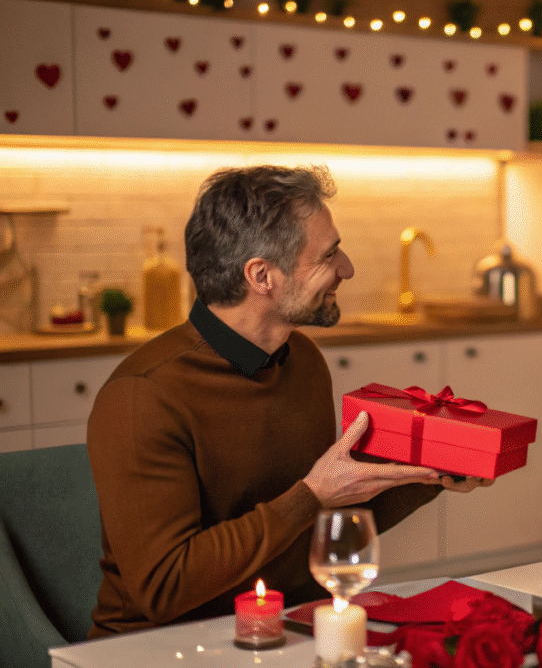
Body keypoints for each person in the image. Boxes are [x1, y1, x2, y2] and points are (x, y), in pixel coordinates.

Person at [87, 165, 491, 638]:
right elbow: (164, 587)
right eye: (329, 255)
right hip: (158, 648)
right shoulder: (143, 395)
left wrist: (427, 477)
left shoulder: (302, 360)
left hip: (287, 630)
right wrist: (311, 495)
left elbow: (316, 530)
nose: (347, 269)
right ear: (262, 275)